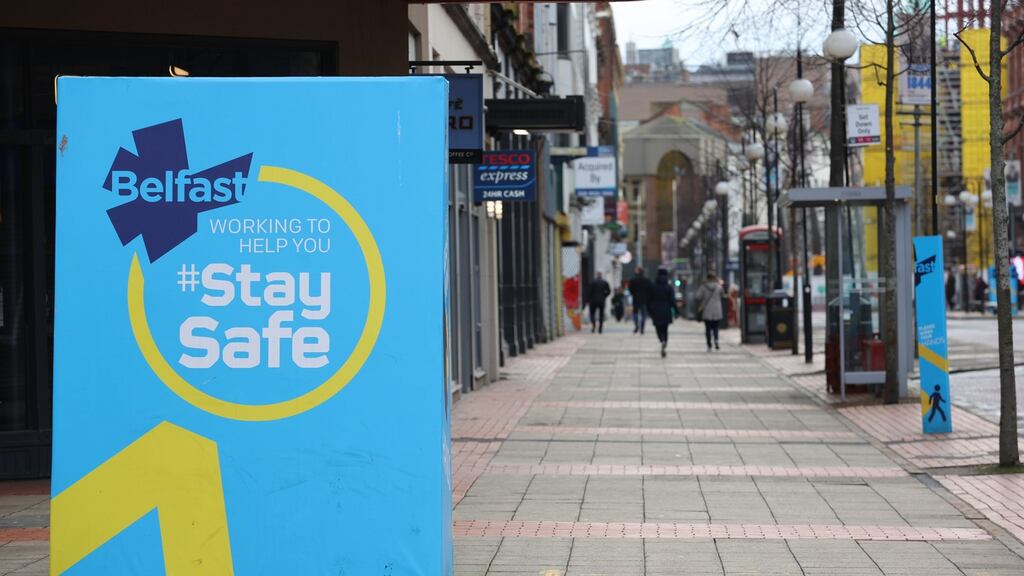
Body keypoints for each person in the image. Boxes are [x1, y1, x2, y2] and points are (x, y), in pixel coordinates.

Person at [648, 268, 677, 358]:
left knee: (658, 327)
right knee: (665, 328)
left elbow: (649, 299)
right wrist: (676, 311)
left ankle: (661, 340)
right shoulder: (669, 287)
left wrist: (650, 310)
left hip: (656, 310)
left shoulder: (653, 286)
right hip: (666, 310)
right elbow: (672, 300)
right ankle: (665, 341)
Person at [695, 272, 724, 351]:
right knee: (716, 327)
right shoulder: (718, 286)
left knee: (708, 328)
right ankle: (716, 340)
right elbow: (722, 295)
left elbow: (697, 296)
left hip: (707, 309)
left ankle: (709, 344)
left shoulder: (703, 286)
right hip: (717, 309)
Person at [628, 268, 652, 334]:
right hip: (644, 300)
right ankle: (642, 328)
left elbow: (630, 290)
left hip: (635, 299)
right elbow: (650, 290)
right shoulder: (647, 280)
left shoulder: (633, 280)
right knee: (644, 315)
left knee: (635, 313)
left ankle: (636, 326)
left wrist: (634, 294)